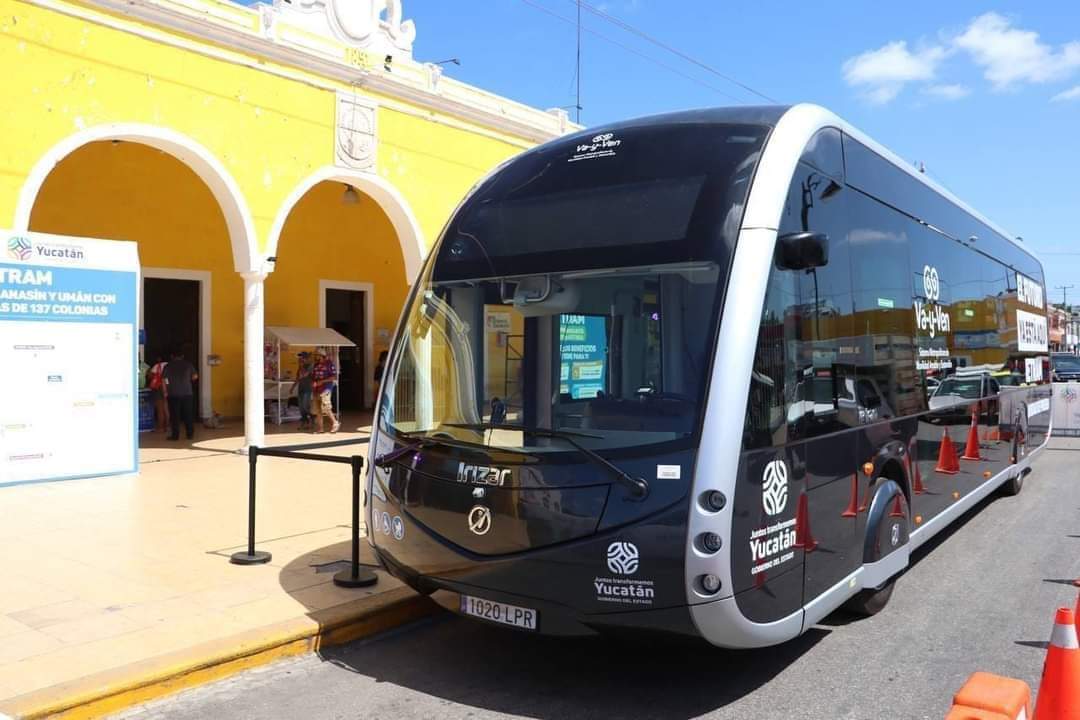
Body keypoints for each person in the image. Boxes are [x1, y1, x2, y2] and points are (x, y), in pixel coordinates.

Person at [163, 348, 198, 440]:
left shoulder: (168, 366)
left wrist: (167, 387)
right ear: (182, 356)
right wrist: (188, 380)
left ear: (172, 356)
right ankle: (190, 434)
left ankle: (175, 435)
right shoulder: (188, 365)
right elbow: (195, 376)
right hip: (187, 393)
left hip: (173, 394)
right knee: (188, 414)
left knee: (175, 416)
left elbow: (165, 379)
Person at [312, 347, 340, 434]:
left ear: (322, 356)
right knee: (318, 410)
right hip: (316, 389)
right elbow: (313, 376)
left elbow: (334, 377)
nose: (316, 357)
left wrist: (322, 381)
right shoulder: (316, 365)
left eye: (317, 355)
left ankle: (335, 423)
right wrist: (313, 382)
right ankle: (320, 429)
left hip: (326, 388)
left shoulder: (329, 364)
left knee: (326, 407)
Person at [146, 354, 170, 433]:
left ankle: (160, 427)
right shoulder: (169, 365)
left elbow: (150, 376)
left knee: (160, 408)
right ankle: (168, 426)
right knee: (166, 407)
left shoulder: (157, 366)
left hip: (159, 388)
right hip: (168, 386)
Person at [290, 353, 314, 431]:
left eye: (301, 358)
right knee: (301, 407)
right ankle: (305, 421)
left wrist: (301, 366)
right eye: (299, 358)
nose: (299, 360)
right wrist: (292, 388)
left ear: (305, 358)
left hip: (308, 389)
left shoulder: (310, 366)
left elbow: (304, 375)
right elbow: (298, 378)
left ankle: (311, 419)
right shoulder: (300, 367)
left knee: (305, 405)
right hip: (301, 389)